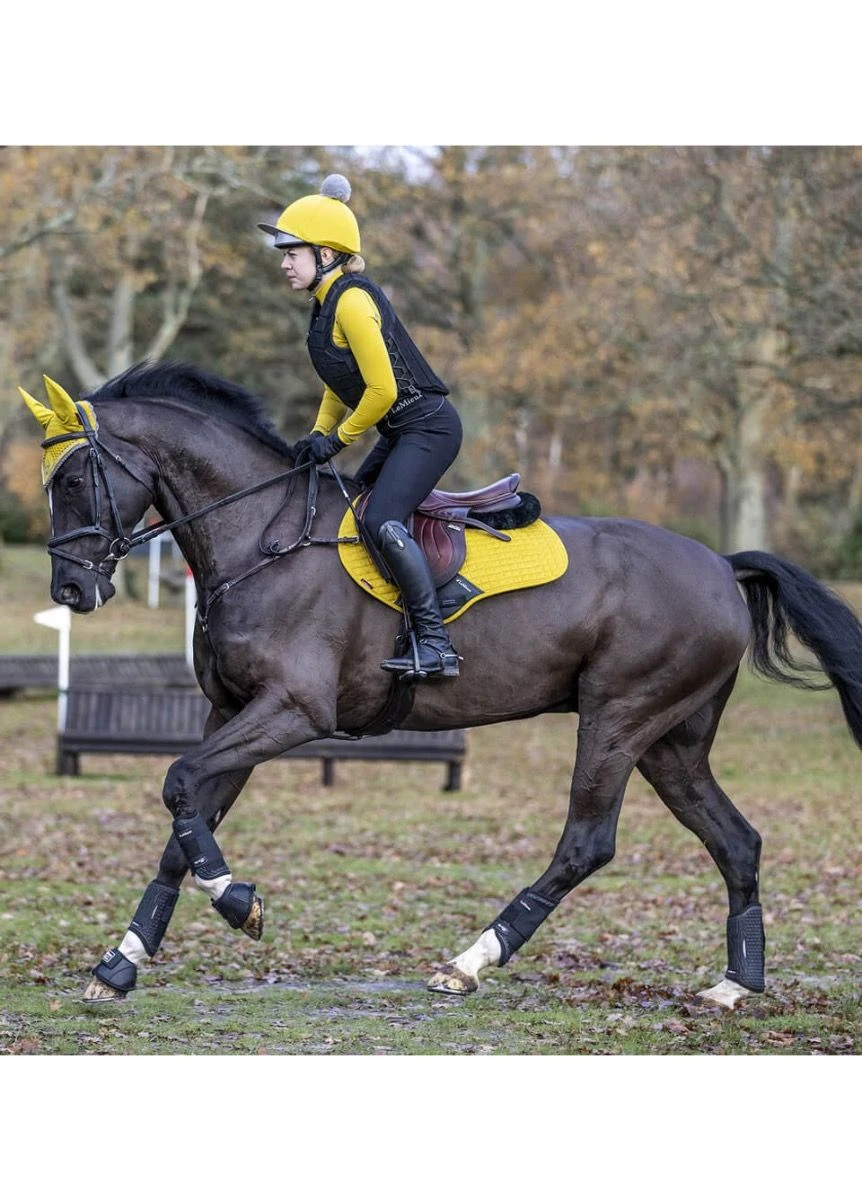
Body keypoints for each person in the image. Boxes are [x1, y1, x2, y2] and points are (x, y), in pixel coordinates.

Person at [258, 174, 463, 679]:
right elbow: (340, 381)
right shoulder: (324, 305)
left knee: (380, 521)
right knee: (349, 510)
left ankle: (436, 645)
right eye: (283, 253)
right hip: (402, 432)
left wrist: (339, 440)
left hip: (429, 429)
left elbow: (383, 392)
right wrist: (317, 432)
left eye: (293, 252)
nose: (284, 262)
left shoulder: (350, 301)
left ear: (326, 255)